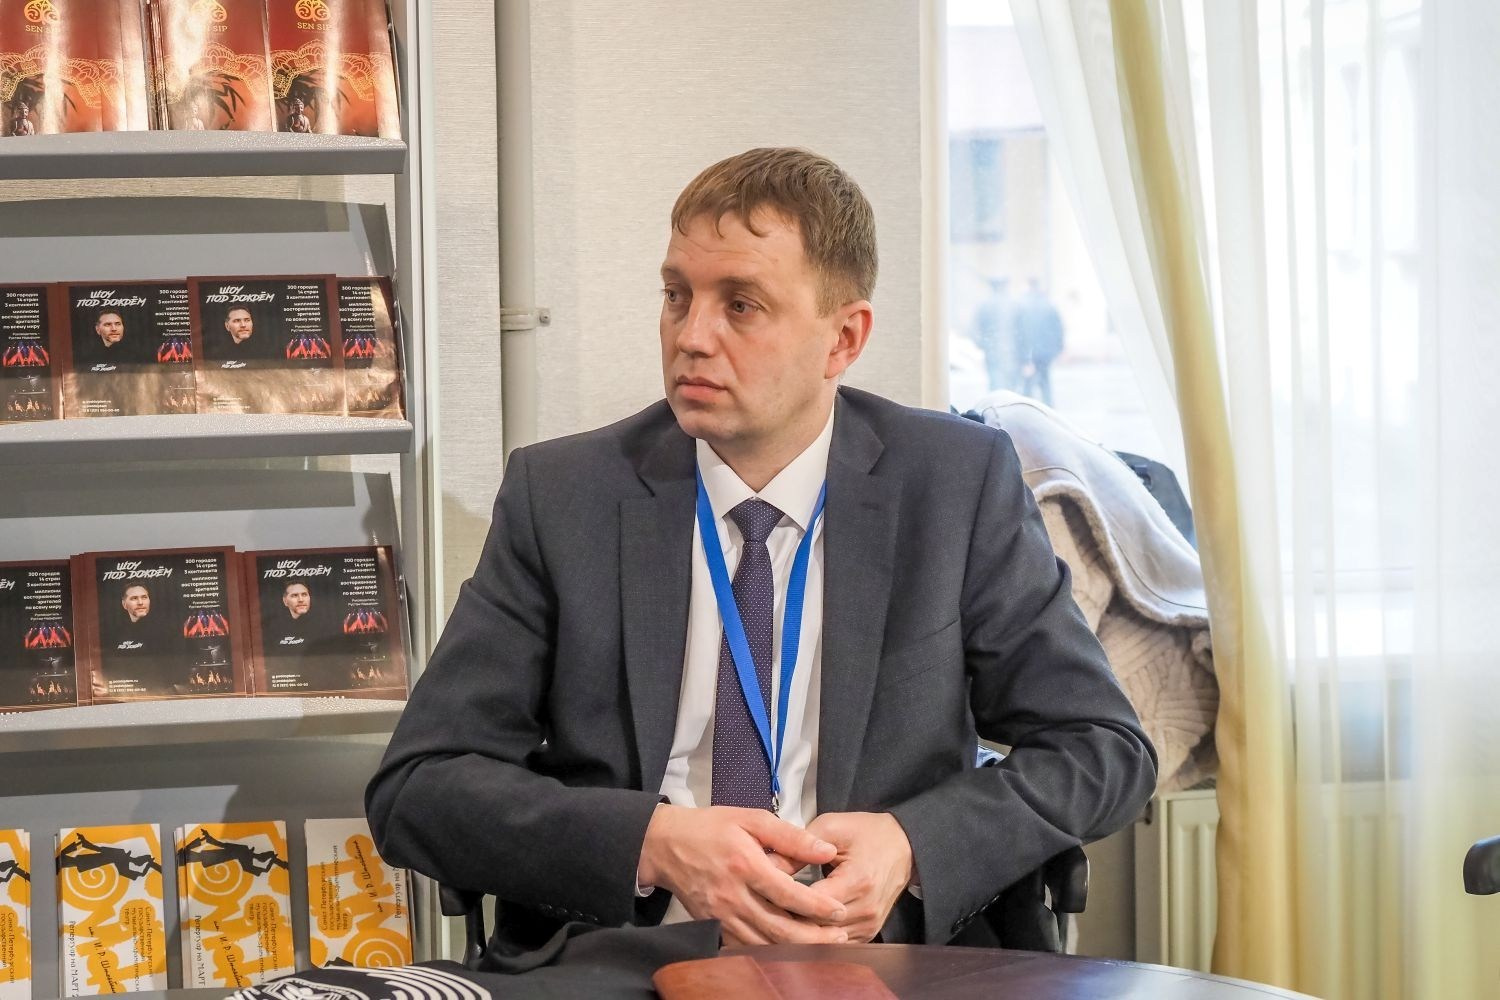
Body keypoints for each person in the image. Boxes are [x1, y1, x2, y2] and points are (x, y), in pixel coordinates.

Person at [366, 148, 1155, 949]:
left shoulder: (954, 486)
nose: (691, 337)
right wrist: (651, 843)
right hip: (632, 953)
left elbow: (1104, 749)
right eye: (676, 296)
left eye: (741, 305)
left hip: (883, 954)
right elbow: (419, 787)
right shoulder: (566, 496)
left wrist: (911, 844)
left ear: (843, 338)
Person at [1014, 278, 1064, 406]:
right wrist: (1058, 348)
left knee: (1028, 383)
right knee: (1045, 381)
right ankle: (1048, 407)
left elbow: (1019, 332)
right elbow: (1058, 329)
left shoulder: (1021, 305)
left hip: (1029, 351)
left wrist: (1021, 355)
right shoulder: (1049, 305)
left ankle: (1027, 407)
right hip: (1046, 352)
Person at [968, 277, 1016, 393]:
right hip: (1011, 350)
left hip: (992, 349)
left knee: (995, 382)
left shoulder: (984, 305)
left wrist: (982, 343)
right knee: (1010, 383)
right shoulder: (1013, 304)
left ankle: (997, 400)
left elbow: (974, 328)